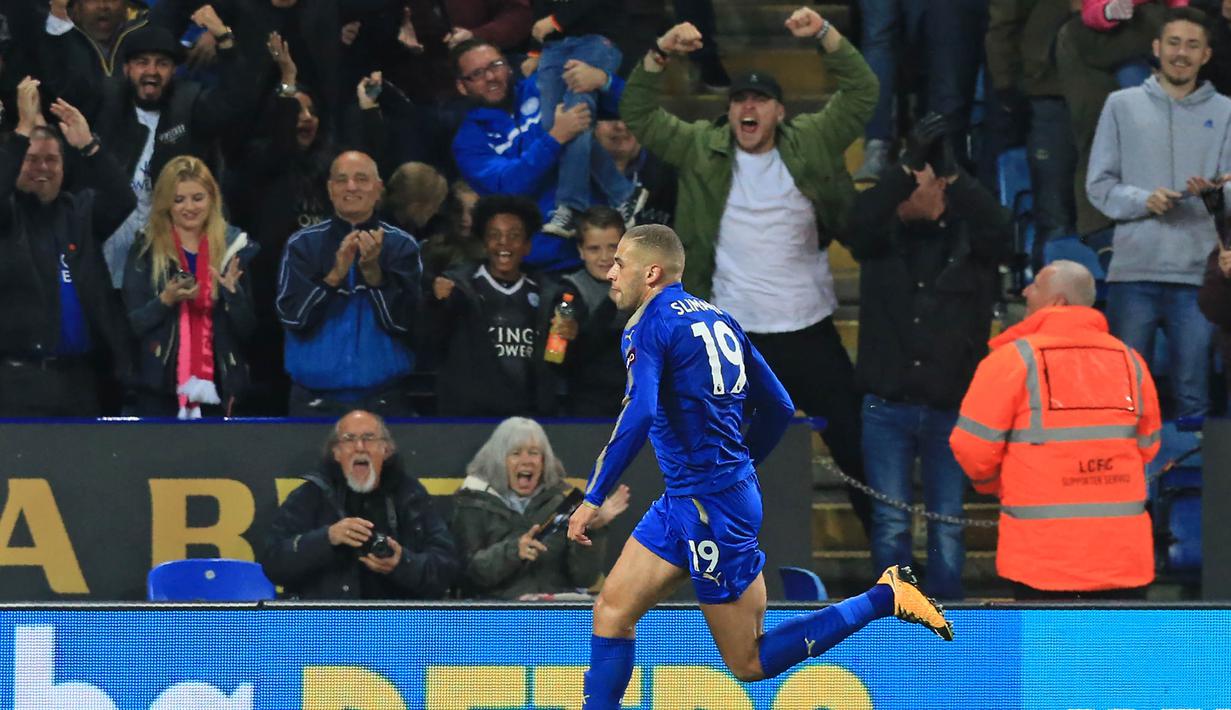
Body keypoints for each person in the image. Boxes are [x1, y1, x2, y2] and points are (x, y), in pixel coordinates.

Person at [566, 225, 953, 709]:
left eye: (620, 262)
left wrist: (595, 495)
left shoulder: (649, 325)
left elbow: (640, 413)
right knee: (611, 611)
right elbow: (779, 406)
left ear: (652, 272)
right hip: (695, 498)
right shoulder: (720, 319)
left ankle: (883, 597)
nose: (610, 270)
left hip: (710, 508)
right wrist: (740, 468)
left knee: (748, 663)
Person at [619, 10, 878, 534]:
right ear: (730, 111)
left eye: (760, 100)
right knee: (714, 451)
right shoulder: (701, 146)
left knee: (853, 442)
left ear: (780, 111)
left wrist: (826, 35)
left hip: (806, 323)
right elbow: (638, 111)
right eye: (739, 99)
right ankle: (708, 550)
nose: (748, 107)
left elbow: (863, 93)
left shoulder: (810, 140)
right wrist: (661, 51)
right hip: (729, 334)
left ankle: (889, 555)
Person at [846, 114, 1011, 601]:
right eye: (904, 186)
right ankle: (897, 612)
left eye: (922, 182)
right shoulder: (878, 240)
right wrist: (904, 168)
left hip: (951, 407)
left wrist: (955, 176)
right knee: (891, 522)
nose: (908, 193)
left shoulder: (975, 244)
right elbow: (855, 220)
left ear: (943, 189)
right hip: (886, 407)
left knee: (947, 526)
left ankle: (948, 614)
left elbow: (1000, 227)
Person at [951, 261, 1161, 599]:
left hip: (1042, 561)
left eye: (1034, 285)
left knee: (1047, 652)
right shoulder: (1130, 360)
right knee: (1115, 652)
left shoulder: (1012, 361)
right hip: (1121, 559)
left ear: (1058, 302)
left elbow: (972, 447)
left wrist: (994, 484)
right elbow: (1148, 445)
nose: (1025, 291)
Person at [1086, 6, 1229, 419]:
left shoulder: (1226, 113)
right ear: (1156, 48)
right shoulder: (1120, 105)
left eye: (1192, 45)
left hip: (1197, 279)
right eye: (1173, 43)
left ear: (1206, 55)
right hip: (1134, 274)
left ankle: (1195, 484)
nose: (1181, 53)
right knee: (1123, 398)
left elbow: (1228, 192)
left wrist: (1212, 196)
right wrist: (1142, 200)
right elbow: (1099, 184)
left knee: (1193, 395)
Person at [0, 78, 133, 416]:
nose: (42, 168)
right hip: (17, 380)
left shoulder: (79, 212)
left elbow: (122, 199)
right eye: (32, 160)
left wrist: (89, 146)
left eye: (51, 160)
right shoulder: (6, 216)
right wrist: (21, 132)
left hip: (81, 381)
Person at [89, 20, 257, 287]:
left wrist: (225, 41)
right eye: (142, 62)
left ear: (175, 71)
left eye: (162, 64)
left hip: (171, 260)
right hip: (107, 254)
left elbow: (237, 100)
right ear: (126, 69)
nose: (152, 71)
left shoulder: (190, 105)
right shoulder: (105, 107)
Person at [276, 150, 422, 417]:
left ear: (378, 189)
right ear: (330, 190)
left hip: (385, 400)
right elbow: (294, 319)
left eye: (361, 179)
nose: (351, 186)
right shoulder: (303, 244)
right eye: (341, 180)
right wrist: (334, 276)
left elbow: (406, 324)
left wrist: (374, 275)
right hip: (314, 402)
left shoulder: (401, 246)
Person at [258, 410, 460, 599]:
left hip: (395, 625)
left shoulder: (410, 495)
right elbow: (273, 563)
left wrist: (402, 563)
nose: (360, 447)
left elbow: (447, 568)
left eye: (369, 438)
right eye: (349, 439)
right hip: (325, 625)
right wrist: (327, 538)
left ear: (386, 450)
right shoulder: (311, 495)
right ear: (336, 452)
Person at [450, 38, 608, 272]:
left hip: (602, 243)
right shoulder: (468, 142)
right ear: (462, 86)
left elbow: (612, 104)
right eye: (477, 74)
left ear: (509, 66)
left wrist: (602, 80)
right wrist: (555, 138)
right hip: (545, 261)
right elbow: (507, 187)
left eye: (495, 65)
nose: (491, 77)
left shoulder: (543, 85)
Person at [121, 156, 257, 418]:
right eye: (178, 199)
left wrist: (233, 296)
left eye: (197, 198)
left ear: (212, 198)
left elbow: (247, 330)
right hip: (159, 388)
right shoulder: (146, 249)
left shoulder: (233, 247)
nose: (189, 207)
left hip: (219, 387)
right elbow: (132, 323)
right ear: (165, 204)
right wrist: (165, 300)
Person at [450, 416, 630, 599]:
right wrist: (513, 551)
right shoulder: (473, 504)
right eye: (516, 453)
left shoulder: (564, 503)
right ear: (498, 460)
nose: (526, 460)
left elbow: (584, 578)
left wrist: (591, 530)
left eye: (534, 453)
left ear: (544, 461)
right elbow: (466, 575)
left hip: (554, 614)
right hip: (498, 615)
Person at [424, 194, 551, 416]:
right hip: (470, 417)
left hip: (528, 417)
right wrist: (436, 304)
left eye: (514, 235)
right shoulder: (457, 288)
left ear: (527, 245)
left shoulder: (547, 293)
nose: (504, 243)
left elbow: (557, 360)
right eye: (495, 235)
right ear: (483, 242)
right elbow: (430, 342)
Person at [531, 0, 644, 238]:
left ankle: (571, 206)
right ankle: (623, 192)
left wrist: (554, 21)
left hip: (595, 38)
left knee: (576, 113)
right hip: (553, 45)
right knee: (554, 125)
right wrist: (535, 49)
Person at [543, 205, 628, 416]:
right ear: (580, 251)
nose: (605, 257)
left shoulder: (644, 288)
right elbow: (557, 360)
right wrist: (609, 304)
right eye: (594, 249)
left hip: (637, 407)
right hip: (588, 410)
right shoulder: (568, 294)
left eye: (613, 247)